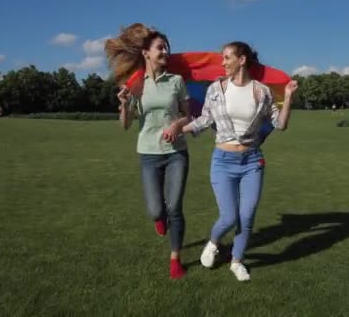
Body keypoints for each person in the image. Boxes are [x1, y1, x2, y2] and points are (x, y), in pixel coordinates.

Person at [183, 41, 298, 281]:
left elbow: (280, 124)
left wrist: (287, 97)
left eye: (227, 58)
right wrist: (180, 129)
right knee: (229, 217)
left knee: (247, 217)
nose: (222, 63)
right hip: (223, 162)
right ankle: (213, 243)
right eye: (222, 58)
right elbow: (205, 119)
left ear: (242, 59)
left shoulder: (262, 91)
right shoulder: (216, 89)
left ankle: (236, 261)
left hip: (252, 162)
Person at [105, 23, 192, 279]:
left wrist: (177, 124)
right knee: (157, 210)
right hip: (148, 154)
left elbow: (190, 115)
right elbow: (126, 125)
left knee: (175, 207)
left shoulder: (176, 81)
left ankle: (175, 258)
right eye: (160, 47)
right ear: (146, 52)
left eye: (166, 47)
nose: (165, 50)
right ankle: (159, 217)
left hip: (177, 152)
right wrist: (123, 105)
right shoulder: (135, 85)